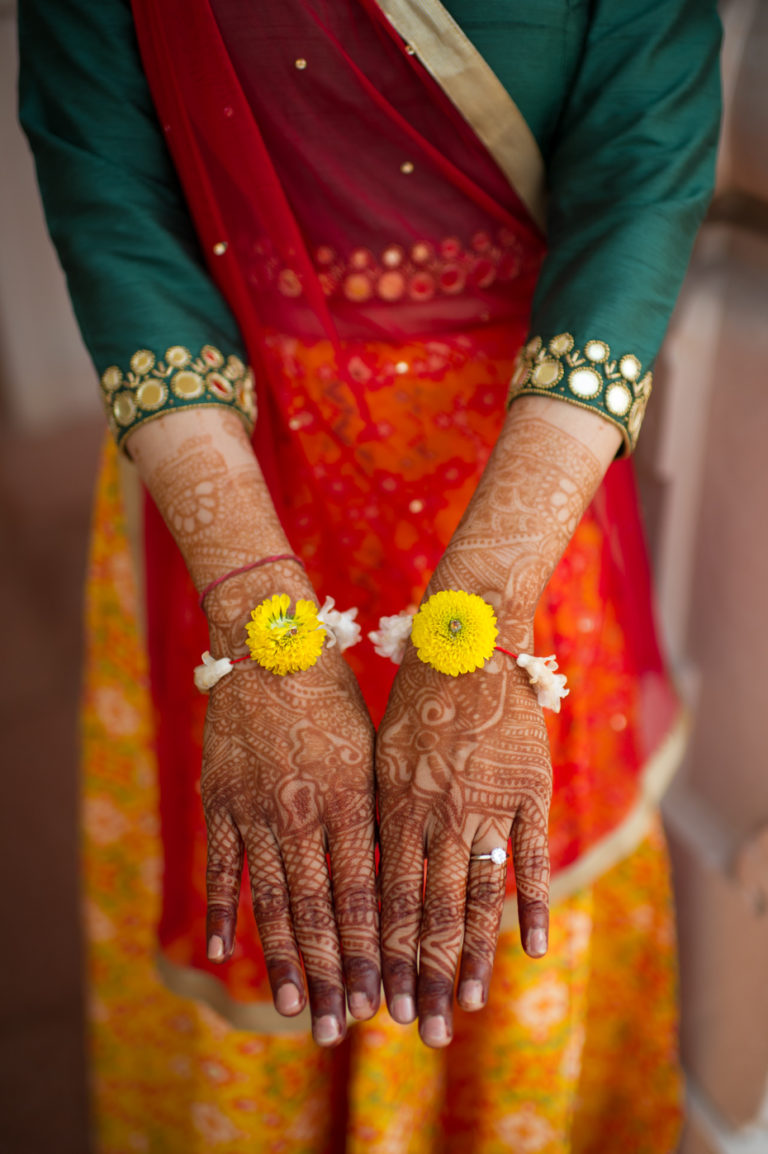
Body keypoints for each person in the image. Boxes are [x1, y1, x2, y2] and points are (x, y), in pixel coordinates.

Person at [20, 0, 721, 1149]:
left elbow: (639, 194)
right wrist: (257, 623)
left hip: (515, 474)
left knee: (490, 865)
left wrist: (485, 616)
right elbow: (118, 222)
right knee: (266, 871)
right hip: (226, 469)